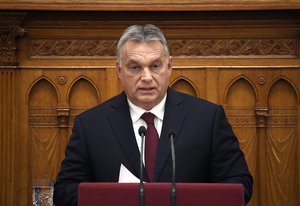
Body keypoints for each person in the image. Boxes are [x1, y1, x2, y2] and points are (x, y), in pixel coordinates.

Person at [53, 24, 253, 206]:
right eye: (135, 67)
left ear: (169, 66)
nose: (146, 77)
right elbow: (64, 192)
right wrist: (117, 197)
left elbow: (240, 185)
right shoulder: (91, 125)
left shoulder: (207, 118)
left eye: (155, 66)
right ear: (119, 70)